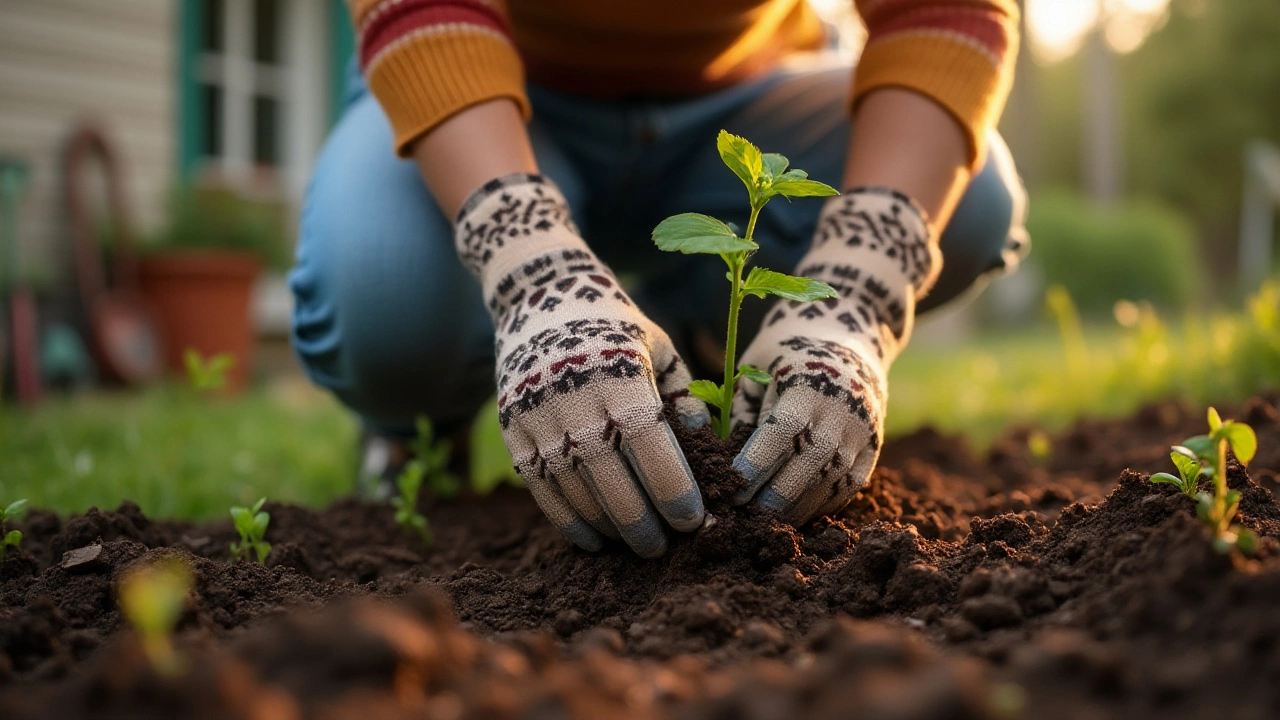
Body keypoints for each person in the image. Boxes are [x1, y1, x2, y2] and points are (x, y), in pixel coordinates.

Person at [290, 0, 1028, 558]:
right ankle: (418, 435)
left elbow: (947, 12)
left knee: (973, 202)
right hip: (485, 82)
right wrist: (531, 274)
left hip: (745, 95)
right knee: (385, 295)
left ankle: (707, 369)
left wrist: (856, 291)